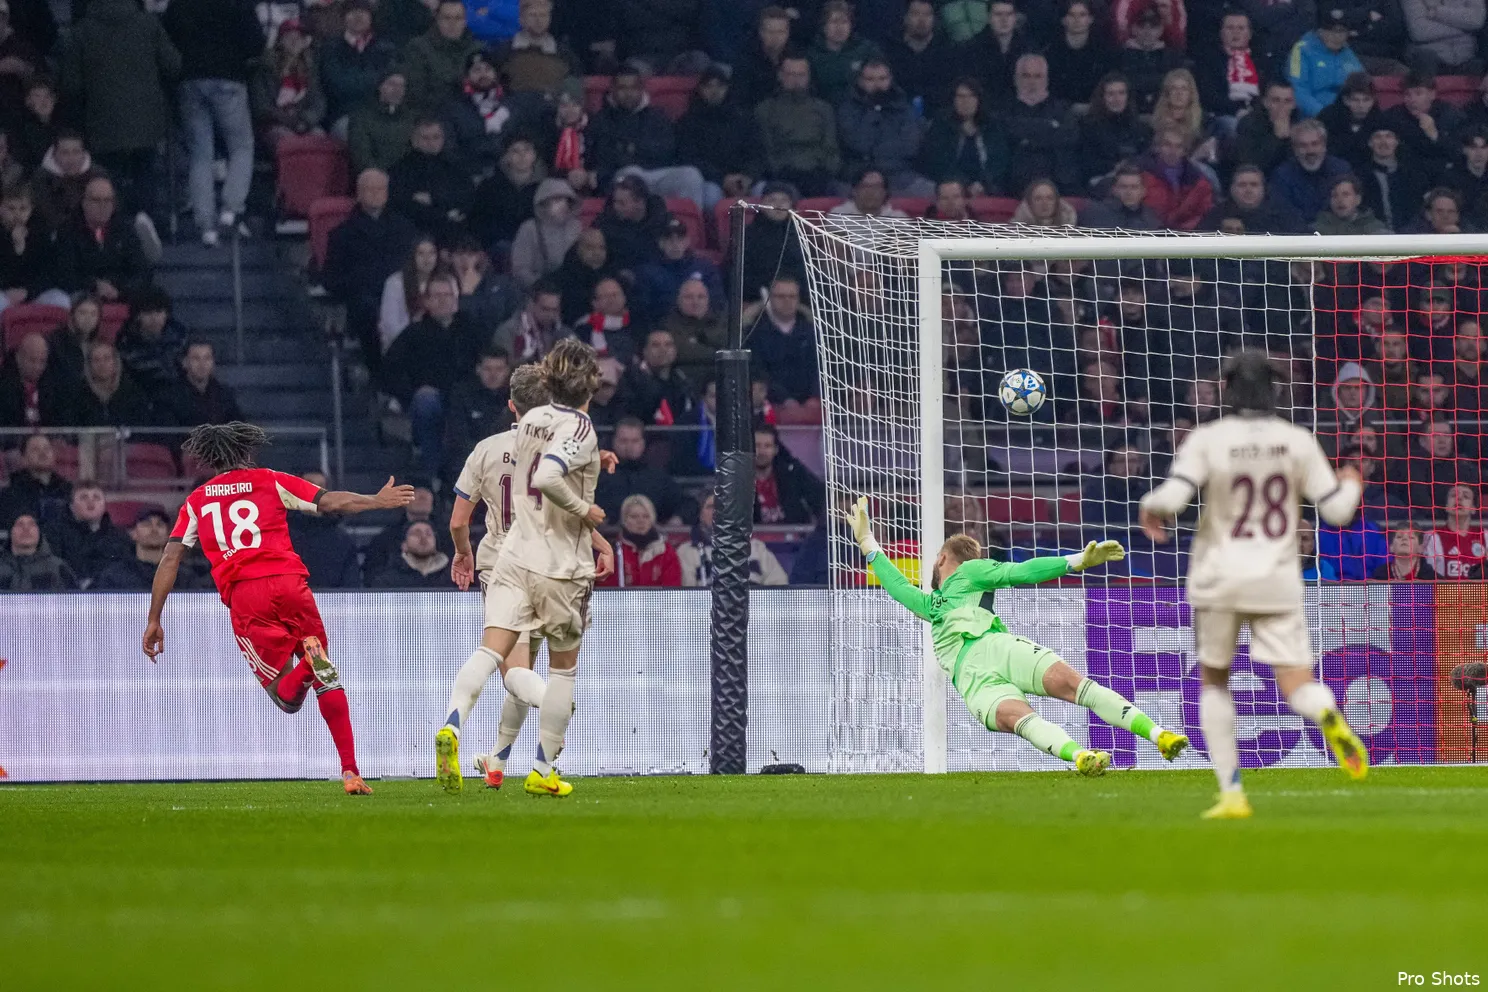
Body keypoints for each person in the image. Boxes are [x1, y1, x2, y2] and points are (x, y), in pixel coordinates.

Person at [1138, 350, 1369, 819]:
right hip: (1278, 577)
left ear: (1225, 389)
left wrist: (1151, 504)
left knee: (1215, 681)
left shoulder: (1209, 438)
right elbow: (1337, 513)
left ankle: (1232, 793)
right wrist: (1353, 483)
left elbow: (1175, 496)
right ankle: (1326, 712)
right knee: (1296, 679)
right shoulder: (1297, 441)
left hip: (1219, 575)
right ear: (1276, 389)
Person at [144, 423, 416, 795]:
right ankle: (350, 770)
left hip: (246, 595)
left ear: (212, 460)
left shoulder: (198, 500)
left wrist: (154, 619)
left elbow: (171, 557)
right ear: (247, 454)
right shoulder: (270, 480)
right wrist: (375, 500)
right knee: (327, 679)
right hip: (290, 582)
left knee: (285, 698)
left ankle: (307, 662)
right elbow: (329, 502)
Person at [845, 494, 1187, 773]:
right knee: (1063, 698)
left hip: (981, 665)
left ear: (942, 558)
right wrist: (868, 541)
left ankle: (1135, 740)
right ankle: (1096, 753)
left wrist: (1075, 561)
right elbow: (897, 585)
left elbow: (1022, 572)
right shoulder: (931, 604)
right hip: (989, 661)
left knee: (1038, 710)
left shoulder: (969, 572)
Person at [434, 339, 610, 797]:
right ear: (589, 386)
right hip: (559, 565)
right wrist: (588, 514)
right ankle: (543, 768)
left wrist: (597, 459)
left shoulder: (528, 424)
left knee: (494, 654)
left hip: (509, 557)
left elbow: (537, 468)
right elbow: (550, 478)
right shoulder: (581, 428)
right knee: (559, 675)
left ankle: (466, 734)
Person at [61, 0, 181, 224]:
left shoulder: (82, 31)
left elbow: (71, 84)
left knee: (107, 175)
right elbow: (173, 65)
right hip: (146, 118)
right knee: (144, 170)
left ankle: (113, 226)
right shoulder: (149, 24)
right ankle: (146, 221)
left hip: (101, 119)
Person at [163, 0, 263, 246]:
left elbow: (166, 39)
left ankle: (206, 226)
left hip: (190, 79)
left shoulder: (179, 3)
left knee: (200, 154)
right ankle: (230, 210)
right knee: (241, 147)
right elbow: (256, 43)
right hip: (229, 77)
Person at [384, 271, 482, 482]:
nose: (442, 300)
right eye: (436, 296)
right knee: (425, 402)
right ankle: (432, 474)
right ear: (427, 301)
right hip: (432, 400)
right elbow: (390, 370)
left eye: (447, 295)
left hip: (467, 398)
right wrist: (411, 392)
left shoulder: (473, 330)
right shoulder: (413, 334)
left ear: (456, 300)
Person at [324, 168, 419, 375]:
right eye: (370, 189)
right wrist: (362, 280)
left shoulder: (405, 229)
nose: (376, 193)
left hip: (403, 293)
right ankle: (380, 374)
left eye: (381, 188)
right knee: (368, 312)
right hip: (366, 298)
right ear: (358, 194)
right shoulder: (342, 235)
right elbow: (331, 279)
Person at [587, 63, 706, 210]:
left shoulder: (657, 116)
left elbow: (667, 150)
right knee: (632, 174)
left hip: (657, 173)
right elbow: (603, 156)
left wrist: (630, 150)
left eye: (633, 88)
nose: (629, 93)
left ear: (641, 89)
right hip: (620, 177)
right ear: (613, 90)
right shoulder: (601, 120)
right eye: (623, 88)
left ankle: (685, 229)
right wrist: (635, 154)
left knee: (690, 175)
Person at [836, 58, 932, 198]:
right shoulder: (847, 109)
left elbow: (910, 146)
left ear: (890, 79)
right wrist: (873, 110)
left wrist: (877, 150)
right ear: (860, 81)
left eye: (882, 79)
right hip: (858, 177)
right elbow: (856, 144)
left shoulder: (904, 108)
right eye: (870, 79)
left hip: (900, 176)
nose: (877, 84)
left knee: (933, 193)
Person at [755, 55, 842, 198]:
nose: (796, 80)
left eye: (801, 75)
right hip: (782, 176)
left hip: (819, 174)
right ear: (780, 76)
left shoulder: (824, 109)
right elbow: (767, 149)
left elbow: (831, 147)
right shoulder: (765, 110)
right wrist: (780, 171)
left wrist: (826, 170)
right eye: (791, 75)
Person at [676, 65, 759, 211]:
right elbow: (688, 158)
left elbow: (757, 153)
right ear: (700, 89)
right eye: (709, 86)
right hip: (710, 180)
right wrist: (722, 179)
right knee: (710, 198)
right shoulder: (688, 122)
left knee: (768, 194)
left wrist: (748, 177)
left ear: (727, 88)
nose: (714, 91)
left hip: (746, 179)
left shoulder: (744, 119)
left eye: (720, 86)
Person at [54, 175, 151, 300]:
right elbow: (65, 274)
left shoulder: (125, 229)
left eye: (108, 200)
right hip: (83, 295)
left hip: (120, 292)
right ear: (84, 203)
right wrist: (94, 285)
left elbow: (141, 270)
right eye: (96, 200)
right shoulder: (68, 230)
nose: (103, 206)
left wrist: (118, 289)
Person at [1003, 54, 1080, 196]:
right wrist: (1049, 126)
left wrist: (1026, 138)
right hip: (1015, 182)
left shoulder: (1062, 108)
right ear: (1016, 79)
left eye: (1038, 76)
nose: (1032, 82)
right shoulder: (1005, 108)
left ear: (1046, 80)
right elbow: (1007, 133)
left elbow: (1070, 137)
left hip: (1058, 181)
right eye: (1026, 76)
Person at [918, 77, 1009, 195]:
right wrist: (964, 185)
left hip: (987, 186)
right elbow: (937, 161)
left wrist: (983, 184)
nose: (966, 101)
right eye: (960, 96)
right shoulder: (941, 124)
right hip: (950, 185)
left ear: (978, 100)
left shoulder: (991, 125)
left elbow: (999, 160)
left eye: (971, 96)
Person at [677, 491, 788, 587]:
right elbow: (687, 598)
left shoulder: (756, 548)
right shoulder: (687, 552)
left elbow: (779, 585)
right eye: (711, 507)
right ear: (700, 515)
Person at [388, 117, 472, 243]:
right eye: (425, 138)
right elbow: (401, 202)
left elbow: (466, 196)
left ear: (443, 139)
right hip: (415, 231)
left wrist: (434, 198)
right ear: (414, 140)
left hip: (453, 231)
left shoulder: (456, 167)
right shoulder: (401, 169)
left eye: (436, 137)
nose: (431, 142)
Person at [441, 50, 524, 177]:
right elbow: (450, 147)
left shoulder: (511, 104)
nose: (483, 74)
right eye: (477, 70)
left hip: (508, 174)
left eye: (487, 69)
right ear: (467, 76)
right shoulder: (454, 107)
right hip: (468, 174)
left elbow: (521, 139)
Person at [320, 0, 397, 135]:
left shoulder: (386, 49)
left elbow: (392, 84)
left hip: (380, 113)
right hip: (343, 115)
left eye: (363, 12)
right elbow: (338, 86)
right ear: (343, 17)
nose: (358, 16)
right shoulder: (330, 48)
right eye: (353, 11)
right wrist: (375, 81)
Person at [249, 18, 326, 153]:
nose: (294, 41)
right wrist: (288, 120)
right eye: (289, 37)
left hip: (303, 121)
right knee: (289, 141)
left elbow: (318, 102)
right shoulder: (266, 67)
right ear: (280, 41)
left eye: (299, 37)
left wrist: (306, 120)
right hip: (273, 124)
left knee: (319, 139)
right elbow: (260, 106)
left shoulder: (310, 69)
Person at [593, 417, 688, 523]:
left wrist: (677, 519)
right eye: (624, 441)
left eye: (635, 441)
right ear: (614, 442)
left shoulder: (657, 476)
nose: (629, 446)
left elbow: (686, 504)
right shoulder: (598, 476)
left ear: (643, 443)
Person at [634, 216, 724, 326]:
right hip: (665, 330)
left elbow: (717, 301)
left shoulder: (705, 268)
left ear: (687, 241)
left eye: (680, 238)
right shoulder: (647, 272)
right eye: (669, 239)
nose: (675, 244)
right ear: (660, 243)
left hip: (703, 327)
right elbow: (644, 310)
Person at [397, 0, 482, 112]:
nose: (452, 23)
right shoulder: (418, 48)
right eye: (447, 18)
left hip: (472, 114)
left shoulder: (477, 49)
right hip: (433, 116)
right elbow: (416, 94)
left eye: (458, 18)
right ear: (437, 19)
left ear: (465, 21)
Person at [43, 480, 131, 586]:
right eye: (84, 497)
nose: (91, 502)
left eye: (96, 497)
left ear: (104, 505)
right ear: (71, 506)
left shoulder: (120, 537)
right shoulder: (55, 534)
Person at [0, 182, 67, 315]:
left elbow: (49, 271)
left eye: (23, 209)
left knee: (61, 301)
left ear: (31, 209)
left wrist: (28, 291)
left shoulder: (40, 231)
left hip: (32, 291)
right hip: (3, 291)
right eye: (11, 209)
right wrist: (16, 250)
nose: (17, 214)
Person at [1270, 119, 1352, 225]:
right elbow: (1284, 214)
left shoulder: (1341, 170)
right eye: (1303, 145)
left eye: (1315, 144)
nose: (1310, 151)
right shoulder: (1282, 175)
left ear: (1324, 145)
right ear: (1294, 148)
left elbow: (1348, 208)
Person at [884, 0, 961, 114]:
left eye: (927, 14)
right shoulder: (890, 48)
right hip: (896, 114)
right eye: (916, 14)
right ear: (905, 18)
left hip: (939, 115)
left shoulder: (947, 49)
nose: (922, 20)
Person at [1287, 8, 1365, 118]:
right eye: (1331, 31)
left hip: (1347, 116)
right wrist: (1323, 114)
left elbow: (1362, 84)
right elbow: (1298, 89)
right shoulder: (1302, 50)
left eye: (1341, 31)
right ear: (1319, 31)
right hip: (1313, 118)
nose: (1337, 36)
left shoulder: (1347, 52)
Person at [493, 0, 582, 95]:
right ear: (521, 19)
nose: (539, 20)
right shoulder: (505, 51)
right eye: (532, 15)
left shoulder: (564, 53)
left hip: (553, 107)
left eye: (543, 15)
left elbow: (575, 86)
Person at [1078, 73, 1152, 187]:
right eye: (1111, 94)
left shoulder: (1142, 128)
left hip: (1137, 180)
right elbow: (1085, 163)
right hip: (1102, 181)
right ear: (1102, 97)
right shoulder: (1088, 126)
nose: (1117, 99)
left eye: (1121, 93)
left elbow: (1148, 159)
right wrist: (1114, 166)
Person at [808, 0, 885, 108]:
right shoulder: (812, 54)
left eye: (844, 22)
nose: (839, 27)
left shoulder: (867, 50)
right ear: (824, 26)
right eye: (834, 22)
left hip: (862, 110)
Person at [594, 493, 681, 587]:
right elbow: (606, 589)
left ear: (652, 520)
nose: (641, 521)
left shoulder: (666, 551)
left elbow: (672, 588)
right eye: (634, 516)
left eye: (646, 516)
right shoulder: (611, 551)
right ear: (624, 520)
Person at [509, 177, 579, 291]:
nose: (562, 205)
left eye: (565, 200)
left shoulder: (576, 227)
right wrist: (540, 285)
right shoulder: (529, 228)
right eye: (556, 200)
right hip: (538, 290)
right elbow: (520, 268)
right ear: (543, 203)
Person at [1138, 126, 1215, 229]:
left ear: (1185, 151)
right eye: (1167, 145)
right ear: (1157, 147)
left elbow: (1205, 214)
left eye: (1179, 146)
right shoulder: (1140, 176)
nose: (1173, 151)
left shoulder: (1199, 181)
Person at [1045, 0, 1114, 108]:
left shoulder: (1105, 52)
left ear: (1090, 19)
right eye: (1072, 15)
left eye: (1082, 15)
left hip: (1095, 111)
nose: (1077, 20)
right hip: (1060, 111)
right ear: (1064, 20)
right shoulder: (1051, 52)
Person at [959, 0, 1029, 105]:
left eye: (1009, 14)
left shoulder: (1028, 48)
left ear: (1015, 18)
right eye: (998, 14)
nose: (1004, 20)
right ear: (988, 18)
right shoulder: (972, 48)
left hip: (1020, 109)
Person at [68, 342, 154, 428]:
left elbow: (141, 428)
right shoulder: (78, 395)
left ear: (116, 363)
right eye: (96, 360)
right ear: (89, 366)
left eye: (107, 358)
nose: (102, 364)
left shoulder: (133, 393)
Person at [93, 506, 179, 590]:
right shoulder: (114, 576)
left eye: (160, 525)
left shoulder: (183, 575)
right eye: (147, 524)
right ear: (133, 533)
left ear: (169, 535)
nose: (154, 529)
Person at [348, 70, 417, 173]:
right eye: (392, 84)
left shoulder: (410, 118)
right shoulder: (361, 117)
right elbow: (362, 156)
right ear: (380, 86)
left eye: (401, 86)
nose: (397, 90)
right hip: (374, 181)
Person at [754, 423, 823, 525]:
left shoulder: (792, 472)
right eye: (757, 446)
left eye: (767, 446)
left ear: (776, 450)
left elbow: (819, 496)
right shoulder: (738, 479)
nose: (762, 451)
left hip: (792, 538)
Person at [379, 235, 439, 352]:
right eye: (421, 254)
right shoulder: (395, 283)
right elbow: (390, 326)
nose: (427, 259)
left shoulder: (445, 281)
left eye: (431, 253)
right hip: (402, 346)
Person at [1401, 0, 1485, 74]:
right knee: (1426, 59)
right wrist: (1465, 28)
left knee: (1481, 66)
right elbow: (1419, 31)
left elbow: (1477, 20)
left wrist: (1438, 12)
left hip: (1467, 57)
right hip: (1431, 58)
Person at [0, 512, 76, 590]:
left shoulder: (58, 568)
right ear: (11, 532)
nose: (26, 528)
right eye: (19, 525)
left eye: (32, 524)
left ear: (39, 532)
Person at [1424, 483, 1486, 579]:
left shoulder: (1485, 536)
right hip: (1446, 592)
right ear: (1446, 506)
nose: (1459, 498)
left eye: (1466, 496)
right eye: (1454, 495)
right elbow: (1430, 578)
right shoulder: (1432, 537)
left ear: (1473, 509)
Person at [371, 520, 456, 587]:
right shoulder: (387, 580)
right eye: (416, 533)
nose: (423, 537)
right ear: (404, 545)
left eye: (428, 534)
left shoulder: (455, 577)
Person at [1078, 161, 1161, 228]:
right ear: (1114, 190)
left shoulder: (1152, 219)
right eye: (1123, 187)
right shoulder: (1096, 214)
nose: (1129, 192)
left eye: (1134, 187)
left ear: (1143, 192)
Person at [1314, 173, 1390, 235]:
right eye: (1335, 195)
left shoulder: (1377, 230)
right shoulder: (1317, 231)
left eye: (1346, 195)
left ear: (1358, 199)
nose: (1340, 200)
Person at [1372, 524, 1440, 580]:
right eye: (1399, 537)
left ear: (1420, 548)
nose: (1404, 539)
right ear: (1391, 547)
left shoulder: (1433, 578)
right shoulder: (1379, 577)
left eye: (1410, 537)